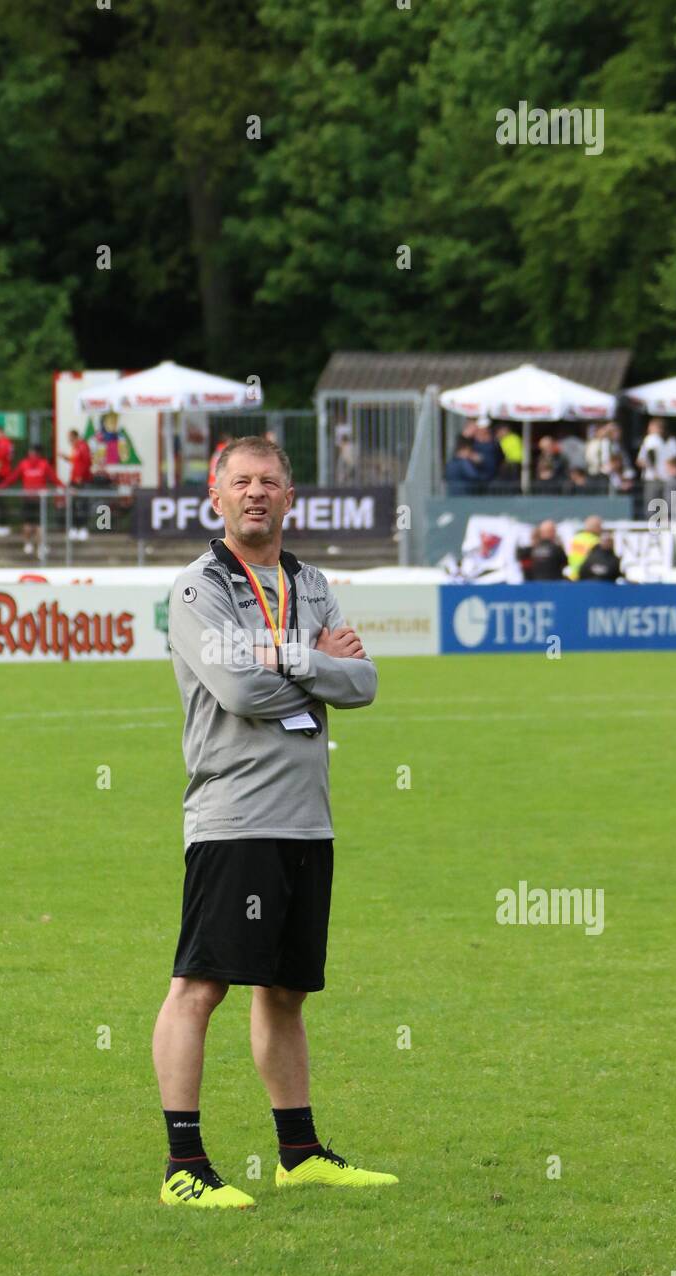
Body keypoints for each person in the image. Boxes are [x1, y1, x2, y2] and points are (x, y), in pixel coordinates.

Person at [154, 434, 397, 1210]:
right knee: (201, 985)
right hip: (234, 817)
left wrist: (286, 657)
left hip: (306, 821)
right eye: (240, 482)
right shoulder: (200, 587)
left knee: (286, 991)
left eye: (269, 482)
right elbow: (237, 689)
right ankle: (184, 1167)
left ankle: (299, 1152)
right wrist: (312, 662)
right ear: (215, 499)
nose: (255, 493)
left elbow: (363, 682)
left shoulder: (310, 580)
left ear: (290, 497)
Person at [0, 445, 63, 558]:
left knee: (31, 524)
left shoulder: (27, 464)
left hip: (34, 499)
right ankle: (36, 546)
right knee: (37, 524)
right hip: (36, 499)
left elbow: (12, 478)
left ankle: (30, 545)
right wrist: (66, 488)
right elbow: (55, 479)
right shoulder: (41, 464)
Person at [65, 428, 93, 540]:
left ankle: (83, 529)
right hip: (74, 480)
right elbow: (75, 462)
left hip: (80, 481)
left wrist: (80, 476)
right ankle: (74, 528)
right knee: (72, 504)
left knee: (82, 504)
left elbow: (87, 462)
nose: (68, 439)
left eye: (69, 436)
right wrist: (65, 458)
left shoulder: (82, 446)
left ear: (74, 436)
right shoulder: (75, 448)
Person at [567, 515, 602, 579]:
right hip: (587, 578)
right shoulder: (596, 542)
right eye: (600, 526)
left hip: (573, 577)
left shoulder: (575, 539)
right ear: (596, 527)